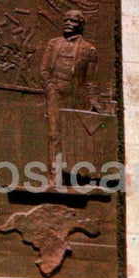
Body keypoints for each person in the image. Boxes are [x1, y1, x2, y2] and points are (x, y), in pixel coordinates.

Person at [40, 10, 99, 178]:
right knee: (54, 134)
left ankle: (76, 175)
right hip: (55, 94)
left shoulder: (89, 50)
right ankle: (54, 176)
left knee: (74, 136)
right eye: (65, 20)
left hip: (76, 96)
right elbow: (44, 69)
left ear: (80, 25)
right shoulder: (54, 43)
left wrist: (93, 100)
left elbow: (91, 80)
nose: (67, 23)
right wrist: (50, 86)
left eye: (72, 21)